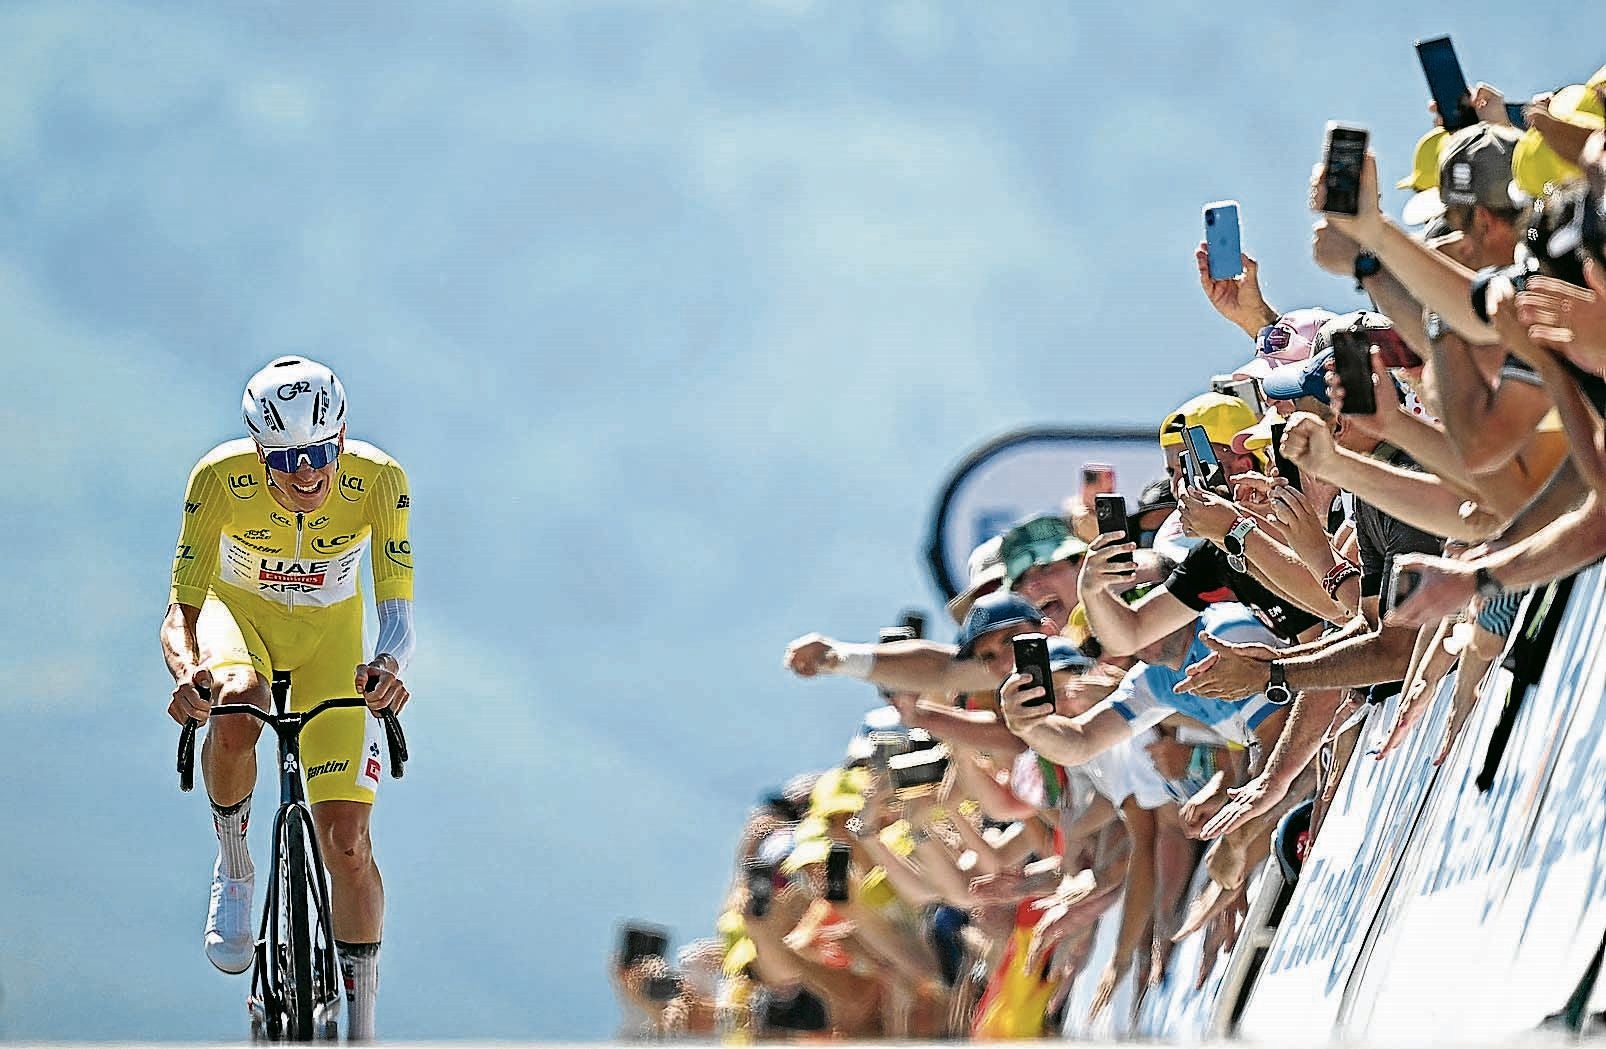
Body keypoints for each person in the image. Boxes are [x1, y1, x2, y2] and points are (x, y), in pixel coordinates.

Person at [161, 357, 414, 1040]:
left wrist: (388, 665)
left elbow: (396, 607)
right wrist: (188, 672)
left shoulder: (379, 480)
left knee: (349, 845)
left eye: (319, 454)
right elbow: (181, 610)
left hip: (331, 643)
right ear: (258, 450)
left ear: (341, 439)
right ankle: (236, 864)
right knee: (238, 701)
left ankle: (361, 1029)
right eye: (287, 458)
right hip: (238, 621)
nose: (305, 474)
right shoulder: (218, 479)